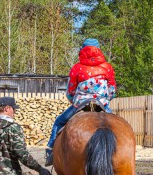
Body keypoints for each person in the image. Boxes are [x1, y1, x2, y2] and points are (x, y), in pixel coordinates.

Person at [45, 38, 117, 166]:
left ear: (82, 50)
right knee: (117, 125)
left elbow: (70, 91)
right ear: (99, 50)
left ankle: (50, 152)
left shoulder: (77, 68)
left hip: (81, 104)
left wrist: (74, 101)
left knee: (59, 121)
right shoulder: (107, 67)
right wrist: (105, 100)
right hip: (102, 104)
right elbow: (112, 90)